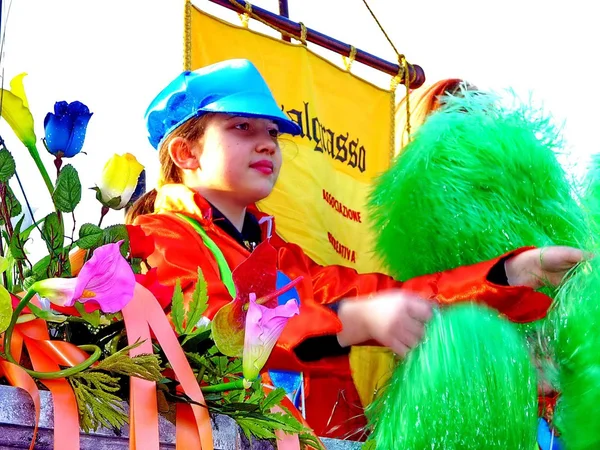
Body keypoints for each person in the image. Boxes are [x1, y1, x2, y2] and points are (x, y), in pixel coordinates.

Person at [126, 59, 584, 440]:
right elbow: (212, 329)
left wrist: (512, 273)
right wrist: (351, 323)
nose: (266, 142)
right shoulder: (159, 238)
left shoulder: (286, 257)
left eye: (274, 133)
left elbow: (397, 293)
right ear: (187, 153)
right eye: (242, 127)